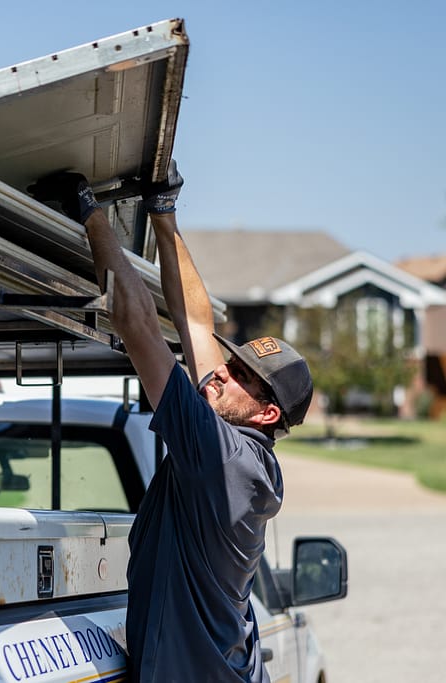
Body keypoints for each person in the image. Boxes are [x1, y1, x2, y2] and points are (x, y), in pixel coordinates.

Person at [29, 164, 313, 683]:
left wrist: (89, 212)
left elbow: (139, 326)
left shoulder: (222, 456)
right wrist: (165, 214)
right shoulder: (240, 444)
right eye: (233, 365)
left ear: (268, 413)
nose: (222, 375)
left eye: (243, 378)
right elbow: (197, 324)